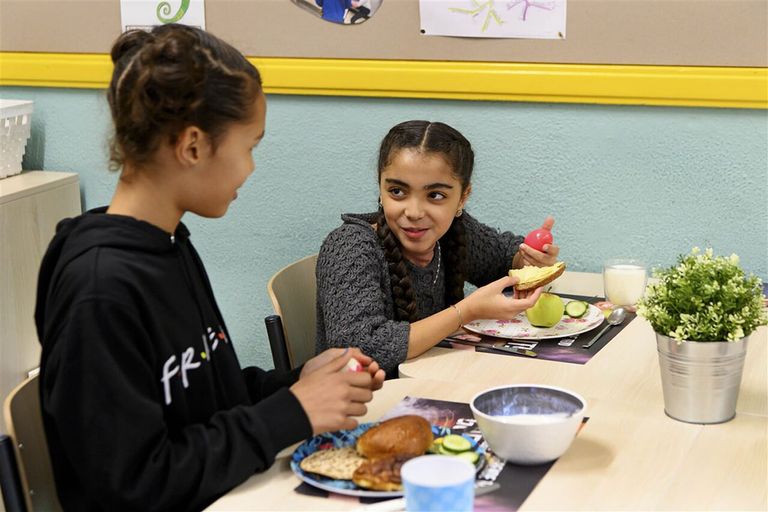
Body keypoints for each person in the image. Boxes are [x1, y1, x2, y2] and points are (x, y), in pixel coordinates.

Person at [34, 24, 385, 511]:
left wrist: (299, 382)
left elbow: (207, 394)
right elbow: (129, 485)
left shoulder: (170, 242)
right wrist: (291, 413)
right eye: (250, 147)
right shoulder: (100, 289)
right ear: (194, 146)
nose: (251, 168)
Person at [315, 120, 560, 375]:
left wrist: (528, 259)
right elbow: (359, 348)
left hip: (439, 384)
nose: (414, 212)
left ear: (463, 197)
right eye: (397, 191)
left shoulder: (453, 232)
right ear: (381, 187)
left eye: (435, 196)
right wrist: (465, 312)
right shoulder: (349, 247)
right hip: (366, 403)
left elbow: (503, 257)